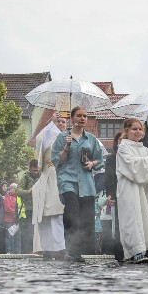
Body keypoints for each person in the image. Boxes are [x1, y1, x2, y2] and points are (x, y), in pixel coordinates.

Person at [51, 105, 103, 261]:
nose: (82, 118)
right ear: (72, 118)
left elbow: (99, 160)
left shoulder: (92, 139)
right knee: (72, 212)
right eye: (79, 115)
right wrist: (66, 146)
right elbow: (56, 161)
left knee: (86, 217)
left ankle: (80, 250)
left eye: (85, 116)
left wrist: (92, 164)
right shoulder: (62, 137)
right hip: (68, 180)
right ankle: (70, 249)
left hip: (86, 182)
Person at [116, 116, 148, 262]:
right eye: (134, 129)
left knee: (142, 217)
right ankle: (133, 251)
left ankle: (144, 249)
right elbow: (131, 165)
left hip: (141, 189)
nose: (138, 132)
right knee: (131, 218)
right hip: (128, 188)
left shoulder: (145, 149)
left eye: (140, 129)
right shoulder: (123, 147)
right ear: (126, 131)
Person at [31, 113, 66, 259]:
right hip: (47, 178)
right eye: (58, 121)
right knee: (44, 217)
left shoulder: (67, 139)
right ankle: (46, 248)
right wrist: (50, 123)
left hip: (61, 178)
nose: (61, 124)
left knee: (58, 215)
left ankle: (59, 248)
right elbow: (40, 139)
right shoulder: (48, 136)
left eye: (64, 121)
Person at [1, 184, 23, 254]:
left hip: (17, 220)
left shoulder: (18, 197)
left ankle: (18, 252)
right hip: (9, 220)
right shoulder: (7, 196)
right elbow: (7, 208)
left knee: (18, 236)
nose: (16, 190)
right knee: (9, 236)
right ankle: (9, 251)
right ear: (11, 189)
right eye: (14, 189)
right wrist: (14, 213)